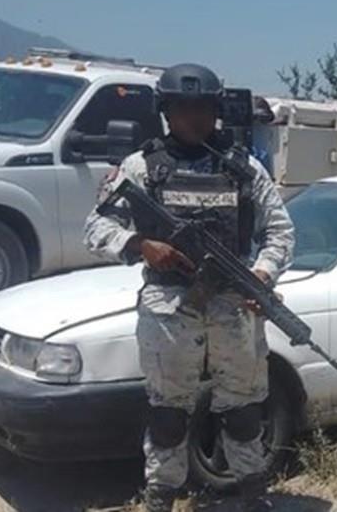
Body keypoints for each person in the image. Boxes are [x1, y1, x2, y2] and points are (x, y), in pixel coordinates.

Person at [84, 63, 294, 512]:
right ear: (166, 111)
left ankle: (253, 495)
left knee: (242, 412)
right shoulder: (140, 168)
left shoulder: (244, 169)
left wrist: (262, 274)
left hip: (233, 306)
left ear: (216, 111)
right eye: (183, 108)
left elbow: (280, 232)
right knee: (168, 414)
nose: (193, 118)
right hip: (169, 311)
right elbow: (96, 227)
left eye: (202, 108)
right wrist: (142, 245)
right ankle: (160, 499)